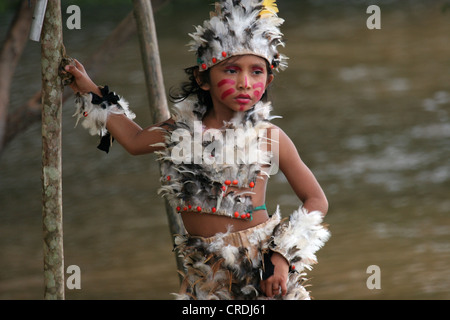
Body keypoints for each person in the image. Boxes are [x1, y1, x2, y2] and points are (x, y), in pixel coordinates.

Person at [65, 0, 330, 300]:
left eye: (256, 72)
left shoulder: (270, 137)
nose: (245, 83)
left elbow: (316, 199)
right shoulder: (179, 132)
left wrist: (282, 257)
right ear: (203, 78)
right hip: (205, 278)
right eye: (232, 70)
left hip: (262, 275)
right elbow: (134, 139)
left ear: (268, 78)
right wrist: (87, 88)